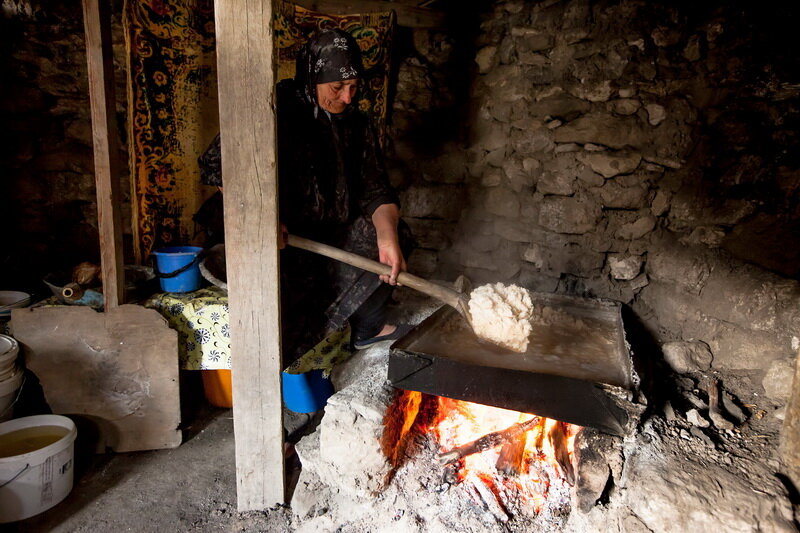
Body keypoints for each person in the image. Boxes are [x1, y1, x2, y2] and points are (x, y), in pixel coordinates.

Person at [198, 28, 414, 366]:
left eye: (354, 87)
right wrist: (262, 217)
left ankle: (367, 328)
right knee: (288, 305)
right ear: (311, 77)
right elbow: (217, 166)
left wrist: (387, 238)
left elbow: (376, 189)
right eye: (337, 87)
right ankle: (279, 360)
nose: (347, 97)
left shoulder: (355, 123)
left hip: (324, 232)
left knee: (391, 236)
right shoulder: (275, 109)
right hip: (273, 232)